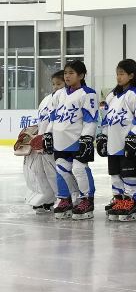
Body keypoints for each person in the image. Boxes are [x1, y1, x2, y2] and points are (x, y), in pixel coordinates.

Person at [43, 60, 98, 220]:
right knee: (61, 169)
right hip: (60, 141)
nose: (67, 76)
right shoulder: (58, 94)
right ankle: (65, 199)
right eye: (66, 73)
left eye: (71, 73)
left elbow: (91, 119)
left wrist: (87, 138)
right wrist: (48, 133)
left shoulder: (88, 94)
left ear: (81, 75)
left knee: (79, 169)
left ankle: (87, 200)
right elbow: (53, 117)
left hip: (77, 141)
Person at [98, 59, 136, 222]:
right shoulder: (112, 95)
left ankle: (133, 201)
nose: (118, 77)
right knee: (115, 174)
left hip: (128, 144)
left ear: (131, 75)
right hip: (113, 144)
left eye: (122, 74)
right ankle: (119, 200)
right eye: (117, 74)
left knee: (130, 174)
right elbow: (105, 120)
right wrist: (103, 136)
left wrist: (134, 137)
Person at [20, 70, 65, 213]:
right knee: (40, 172)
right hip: (42, 142)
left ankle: (64, 199)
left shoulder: (65, 99)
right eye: (54, 84)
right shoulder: (46, 100)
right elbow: (42, 121)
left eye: (59, 84)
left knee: (56, 171)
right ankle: (46, 198)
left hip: (57, 141)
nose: (55, 87)